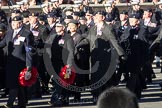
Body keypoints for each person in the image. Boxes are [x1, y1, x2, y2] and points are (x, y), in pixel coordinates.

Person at [87, 10, 126, 103]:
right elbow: (88, 40)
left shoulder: (108, 28)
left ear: (103, 18)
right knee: (94, 77)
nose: (95, 18)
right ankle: (95, 95)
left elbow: (114, 41)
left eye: (97, 16)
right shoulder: (93, 28)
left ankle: (103, 96)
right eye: (94, 16)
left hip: (105, 57)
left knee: (103, 77)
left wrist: (121, 54)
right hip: (94, 56)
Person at [0, 16, 34, 108]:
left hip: (21, 64)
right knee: (19, 85)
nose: (14, 25)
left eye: (16, 23)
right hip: (10, 63)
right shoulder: (10, 32)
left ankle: (9, 103)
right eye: (12, 23)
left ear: (20, 23)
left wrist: (29, 66)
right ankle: (22, 104)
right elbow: (2, 43)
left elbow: (29, 50)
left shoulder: (26, 33)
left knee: (15, 84)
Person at [46, 21, 74, 106]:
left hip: (65, 65)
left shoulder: (68, 38)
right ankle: (63, 99)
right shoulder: (53, 37)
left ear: (63, 28)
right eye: (56, 26)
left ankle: (56, 99)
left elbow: (71, 52)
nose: (56, 28)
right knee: (57, 82)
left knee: (63, 82)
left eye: (59, 26)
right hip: (55, 63)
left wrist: (69, 64)